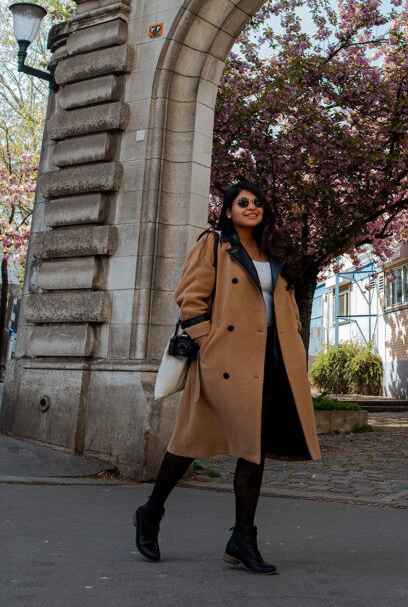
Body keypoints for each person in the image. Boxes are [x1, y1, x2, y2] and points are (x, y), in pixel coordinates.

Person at [134, 181, 321, 574]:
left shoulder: (276, 249)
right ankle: (150, 512)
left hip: (271, 359)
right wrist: (208, 343)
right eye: (242, 202)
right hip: (225, 359)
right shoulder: (215, 244)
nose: (251, 207)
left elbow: (285, 301)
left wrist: (295, 336)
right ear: (229, 210)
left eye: (256, 202)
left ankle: (243, 537)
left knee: (253, 449)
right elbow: (190, 297)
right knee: (188, 441)